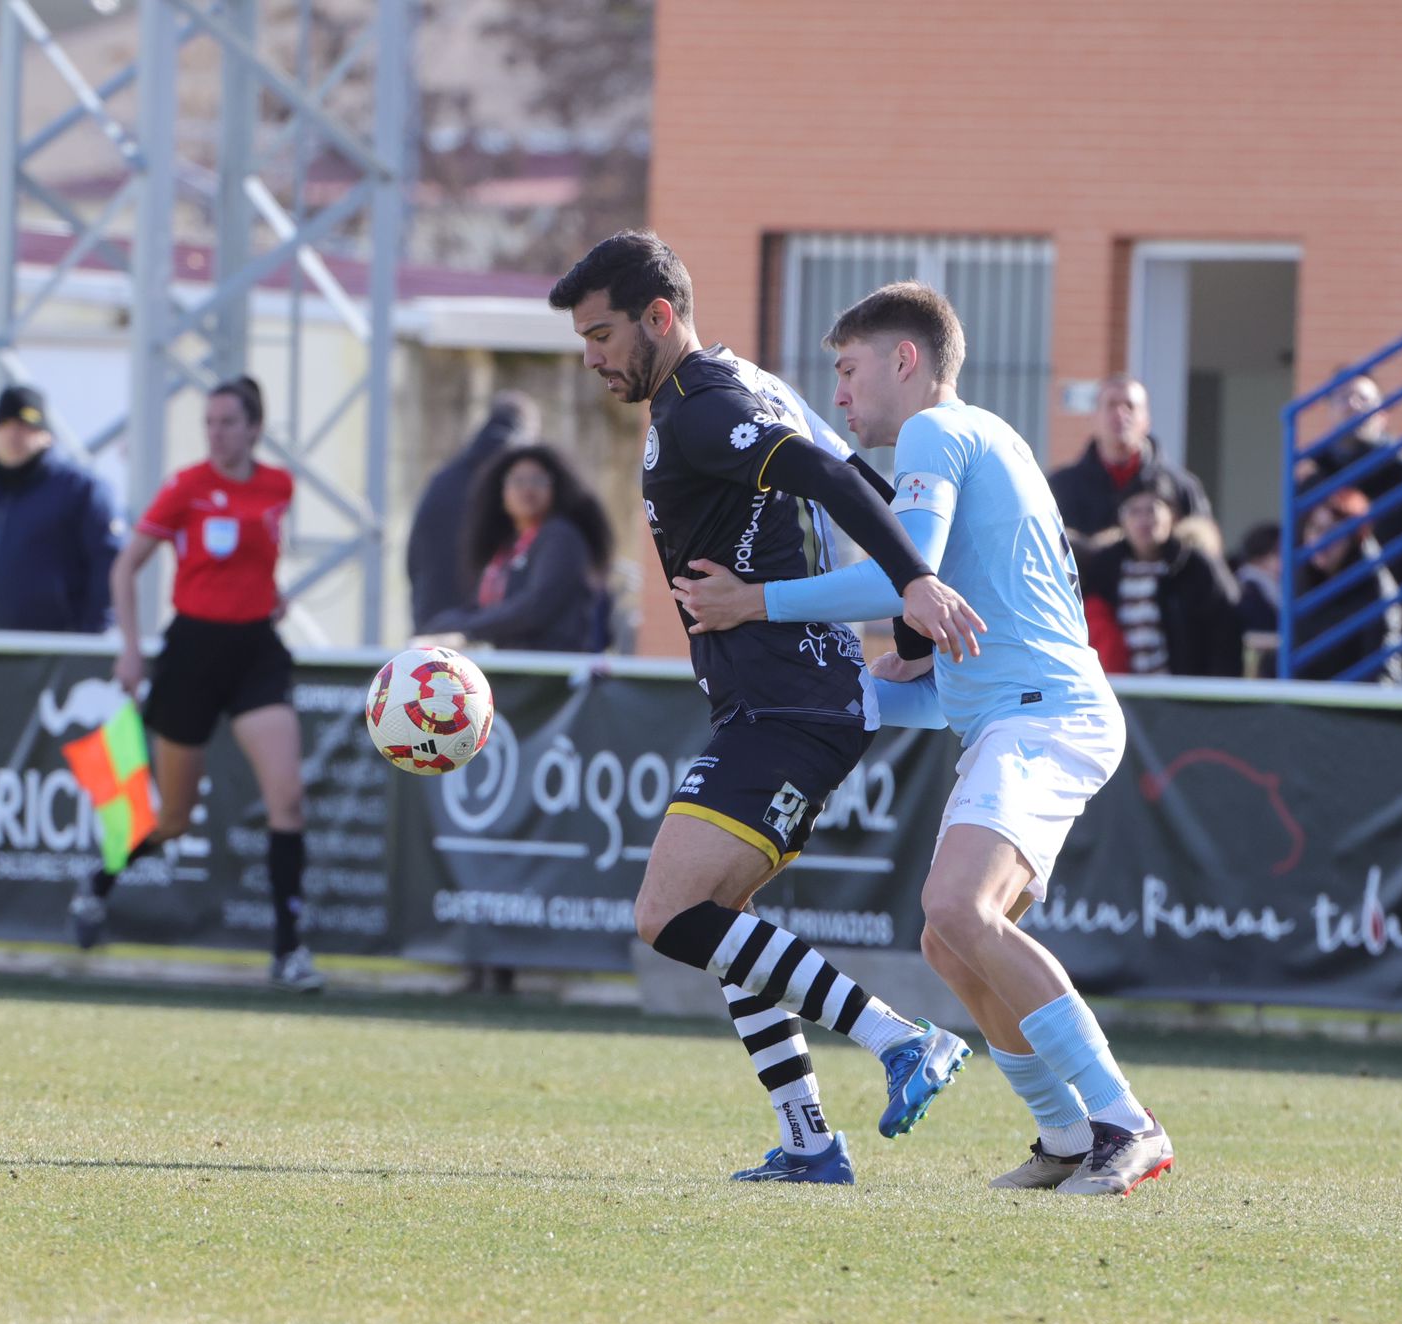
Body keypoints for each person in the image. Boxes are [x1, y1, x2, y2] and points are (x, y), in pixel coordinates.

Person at [675, 282, 1173, 1196]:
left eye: (849, 369)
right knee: (950, 941)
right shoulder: (992, 436)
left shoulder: (938, 434)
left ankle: (1125, 1121)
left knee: (958, 908)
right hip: (1012, 712)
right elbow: (948, 665)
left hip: (1043, 714)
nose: (840, 395)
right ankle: (1065, 1136)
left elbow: (907, 580)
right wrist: (843, 697)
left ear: (906, 361)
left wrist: (756, 603)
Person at [549, 230, 985, 1185]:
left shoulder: (705, 407)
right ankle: (807, 1141)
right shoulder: (737, 387)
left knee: (667, 914)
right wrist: (908, 623)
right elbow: (855, 475)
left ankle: (902, 1039)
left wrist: (913, 586)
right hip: (781, 700)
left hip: (789, 706)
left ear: (660, 318)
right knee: (722, 914)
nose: (592, 358)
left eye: (602, 335)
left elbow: (831, 478)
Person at [66, 377, 324, 992]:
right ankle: (98, 884)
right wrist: (131, 650)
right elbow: (126, 568)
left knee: (286, 799)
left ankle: (289, 952)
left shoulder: (277, 488)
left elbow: (259, 562)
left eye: (228, 422)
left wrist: (272, 597)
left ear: (255, 429)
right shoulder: (185, 487)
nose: (217, 433)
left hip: (257, 650)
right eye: (209, 422)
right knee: (174, 818)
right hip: (192, 651)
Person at [1298, 372, 1402, 677]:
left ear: (1383, 415)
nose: (1353, 405)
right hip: (1319, 658)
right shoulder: (1311, 487)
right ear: (1329, 410)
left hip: (1398, 655)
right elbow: (1299, 569)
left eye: (1364, 399)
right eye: (1343, 397)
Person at [0, 384, 121, 633]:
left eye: (26, 425)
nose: (14, 434)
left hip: (55, 656)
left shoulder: (81, 491)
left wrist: (88, 643)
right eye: (4, 424)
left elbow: (108, 568)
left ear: (47, 435)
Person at [414, 444, 613, 652]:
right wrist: (446, 623)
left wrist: (465, 627)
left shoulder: (560, 536)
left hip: (550, 667)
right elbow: (489, 608)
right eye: (517, 481)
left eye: (538, 480)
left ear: (556, 488)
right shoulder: (507, 547)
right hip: (513, 663)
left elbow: (535, 607)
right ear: (501, 492)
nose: (527, 489)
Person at [1082, 467, 1243, 677]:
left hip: (1183, 692)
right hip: (1122, 691)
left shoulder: (1195, 566)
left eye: (1152, 510)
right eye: (1134, 511)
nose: (1143, 521)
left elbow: (1225, 630)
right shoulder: (1105, 568)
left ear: (1172, 516)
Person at [1047, 375, 1211, 582]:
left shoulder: (1180, 487)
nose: (1120, 414)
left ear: (1147, 420)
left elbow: (1204, 555)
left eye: (1130, 406)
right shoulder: (1061, 486)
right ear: (1093, 417)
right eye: (1111, 405)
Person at [407, 391, 540, 632]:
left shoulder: (443, 478)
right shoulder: (513, 481)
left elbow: (412, 556)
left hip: (431, 619)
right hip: (482, 632)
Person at [1290, 486, 1402, 683]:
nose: (1320, 541)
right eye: (1314, 528)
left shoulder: (1376, 589)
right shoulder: (1300, 579)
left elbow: (1381, 673)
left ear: (1354, 537)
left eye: (1332, 532)